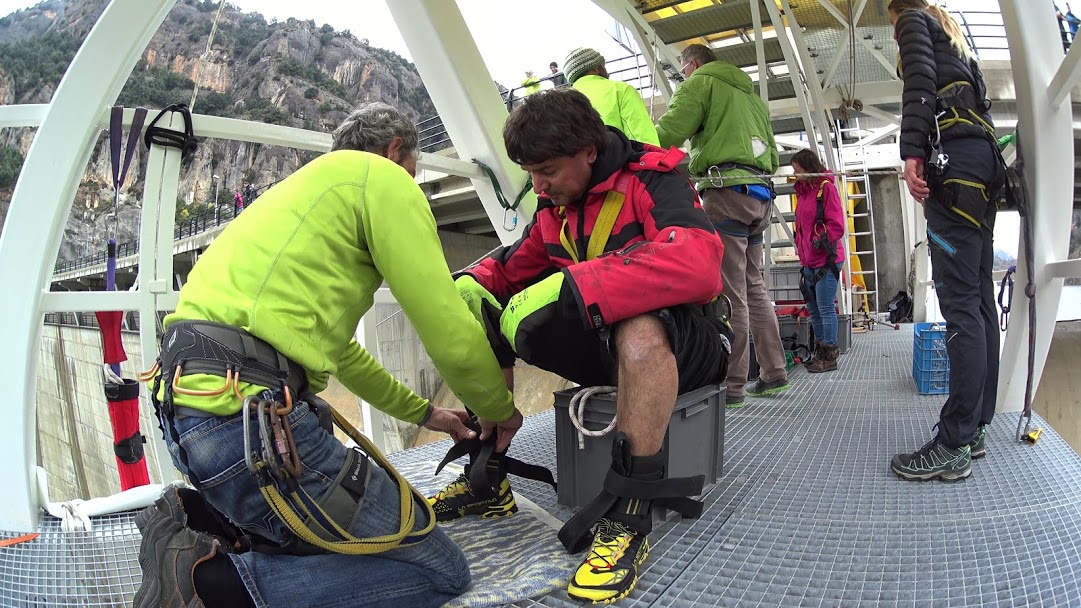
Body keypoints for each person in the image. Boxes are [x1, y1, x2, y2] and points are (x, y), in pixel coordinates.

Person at [133, 102, 522, 608]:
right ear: (395, 152)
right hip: (250, 429)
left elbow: (344, 357)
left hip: (193, 418)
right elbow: (446, 326)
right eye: (411, 173)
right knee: (439, 570)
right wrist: (497, 409)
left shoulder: (306, 196)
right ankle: (212, 585)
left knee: (330, 540)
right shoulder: (383, 178)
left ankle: (204, 523)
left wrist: (431, 415)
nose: (411, 185)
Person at [428, 89, 731, 604]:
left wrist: (584, 283)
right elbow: (510, 268)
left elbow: (701, 263)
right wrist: (467, 284)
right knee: (475, 300)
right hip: (612, 347)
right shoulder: (555, 205)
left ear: (589, 151)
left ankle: (629, 518)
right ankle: (489, 469)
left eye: (546, 170)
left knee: (637, 322)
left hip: (695, 346)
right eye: (529, 172)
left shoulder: (654, 178)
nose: (537, 185)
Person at [888, 0, 1004, 482]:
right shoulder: (958, 40)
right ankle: (975, 428)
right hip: (983, 168)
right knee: (978, 303)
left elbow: (918, 82)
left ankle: (952, 443)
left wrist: (912, 152)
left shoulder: (913, 22)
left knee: (959, 307)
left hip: (953, 171)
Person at [656, 43, 789, 409]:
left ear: (693, 64)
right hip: (761, 195)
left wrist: (635, 144)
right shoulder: (752, 96)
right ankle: (775, 372)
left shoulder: (701, 83)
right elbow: (774, 155)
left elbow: (670, 131)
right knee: (754, 286)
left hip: (726, 192)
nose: (684, 78)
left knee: (731, 294)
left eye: (684, 71)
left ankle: (732, 386)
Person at [790, 149, 845, 373]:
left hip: (826, 258)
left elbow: (837, 225)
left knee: (824, 306)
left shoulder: (826, 189)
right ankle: (821, 351)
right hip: (810, 260)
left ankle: (829, 353)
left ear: (809, 169)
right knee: (814, 308)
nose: (795, 175)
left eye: (798, 171)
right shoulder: (803, 194)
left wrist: (816, 241)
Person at [563, 47, 660, 146]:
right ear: (596, 68)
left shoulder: (562, 103)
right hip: (618, 160)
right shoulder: (620, 89)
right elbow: (642, 135)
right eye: (603, 65)